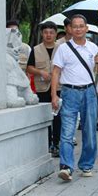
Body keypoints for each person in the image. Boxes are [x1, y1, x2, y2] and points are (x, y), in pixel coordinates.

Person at [51, 14, 98, 181]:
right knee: (67, 131)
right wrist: (54, 95)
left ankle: (87, 165)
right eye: (75, 26)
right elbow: (56, 72)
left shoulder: (93, 47)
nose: (79, 29)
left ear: (86, 28)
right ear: (69, 29)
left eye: (82, 26)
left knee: (89, 130)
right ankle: (66, 166)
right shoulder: (63, 49)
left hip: (89, 92)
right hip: (69, 92)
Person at [26, 21, 61, 158]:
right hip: (42, 89)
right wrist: (41, 73)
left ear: (55, 34)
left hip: (58, 87)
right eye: (46, 32)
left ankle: (56, 144)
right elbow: (29, 68)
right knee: (44, 117)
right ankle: (46, 144)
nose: (48, 35)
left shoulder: (61, 48)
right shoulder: (35, 49)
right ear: (42, 34)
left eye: (51, 32)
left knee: (58, 117)